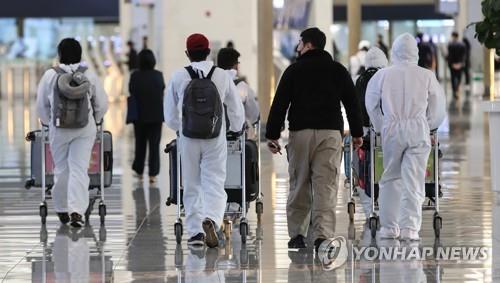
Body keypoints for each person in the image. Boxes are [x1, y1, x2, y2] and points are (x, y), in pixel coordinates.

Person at [266, 27, 364, 251]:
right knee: (326, 185)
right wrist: (357, 133)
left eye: (300, 42)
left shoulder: (293, 70)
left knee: (299, 183)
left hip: (300, 133)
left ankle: (298, 235)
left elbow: (279, 104)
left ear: (308, 44)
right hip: (330, 134)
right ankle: (321, 235)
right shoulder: (338, 70)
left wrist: (272, 134)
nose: (297, 47)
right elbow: (352, 103)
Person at [164, 33, 245, 248]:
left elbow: (170, 113)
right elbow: (236, 108)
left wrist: (179, 128)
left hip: (189, 137)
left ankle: (195, 233)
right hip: (214, 135)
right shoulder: (221, 75)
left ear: (187, 53)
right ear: (209, 51)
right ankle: (212, 218)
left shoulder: (178, 76)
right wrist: (237, 129)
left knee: (191, 183)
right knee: (215, 181)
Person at [365, 33, 446, 241]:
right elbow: (438, 107)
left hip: (392, 128)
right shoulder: (426, 75)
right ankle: (410, 228)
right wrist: (428, 126)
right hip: (418, 128)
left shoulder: (383, 75)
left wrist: (381, 125)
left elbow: (371, 102)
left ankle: (390, 227)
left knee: (390, 177)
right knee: (414, 178)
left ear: (394, 51)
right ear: (416, 53)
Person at [36, 38, 109, 227]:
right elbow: (101, 103)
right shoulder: (89, 75)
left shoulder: (50, 76)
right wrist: (96, 119)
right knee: (79, 168)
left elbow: (42, 106)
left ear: (59, 55)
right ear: (80, 54)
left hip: (58, 128)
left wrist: (47, 123)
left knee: (61, 168)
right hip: (84, 128)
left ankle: (61, 209)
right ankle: (77, 211)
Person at [354, 47, 388, 219]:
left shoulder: (359, 80)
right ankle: (386, 208)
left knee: (363, 168)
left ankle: (369, 212)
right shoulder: (387, 78)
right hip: (385, 131)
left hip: (363, 133)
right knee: (386, 169)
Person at [129, 49, 165, 184]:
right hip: (156, 115)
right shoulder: (158, 75)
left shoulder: (135, 76)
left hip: (139, 115)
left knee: (140, 143)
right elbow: (162, 89)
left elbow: (131, 90)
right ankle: (152, 174)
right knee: (154, 145)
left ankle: (139, 171)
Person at [217, 47, 260, 127]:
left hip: (214, 133)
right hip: (235, 135)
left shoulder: (212, 83)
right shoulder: (242, 86)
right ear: (236, 66)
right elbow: (254, 114)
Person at [447, 31, 467, 99]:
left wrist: (452, 64)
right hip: (460, 64)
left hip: (452, 64)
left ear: (453, 36)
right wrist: (460, 63)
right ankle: (457, 88)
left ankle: (454, 90)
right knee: (459, 77)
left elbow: (450, 55)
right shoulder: (462, 44)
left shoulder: (450, 44)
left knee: (453, 77)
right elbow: (464, 55)